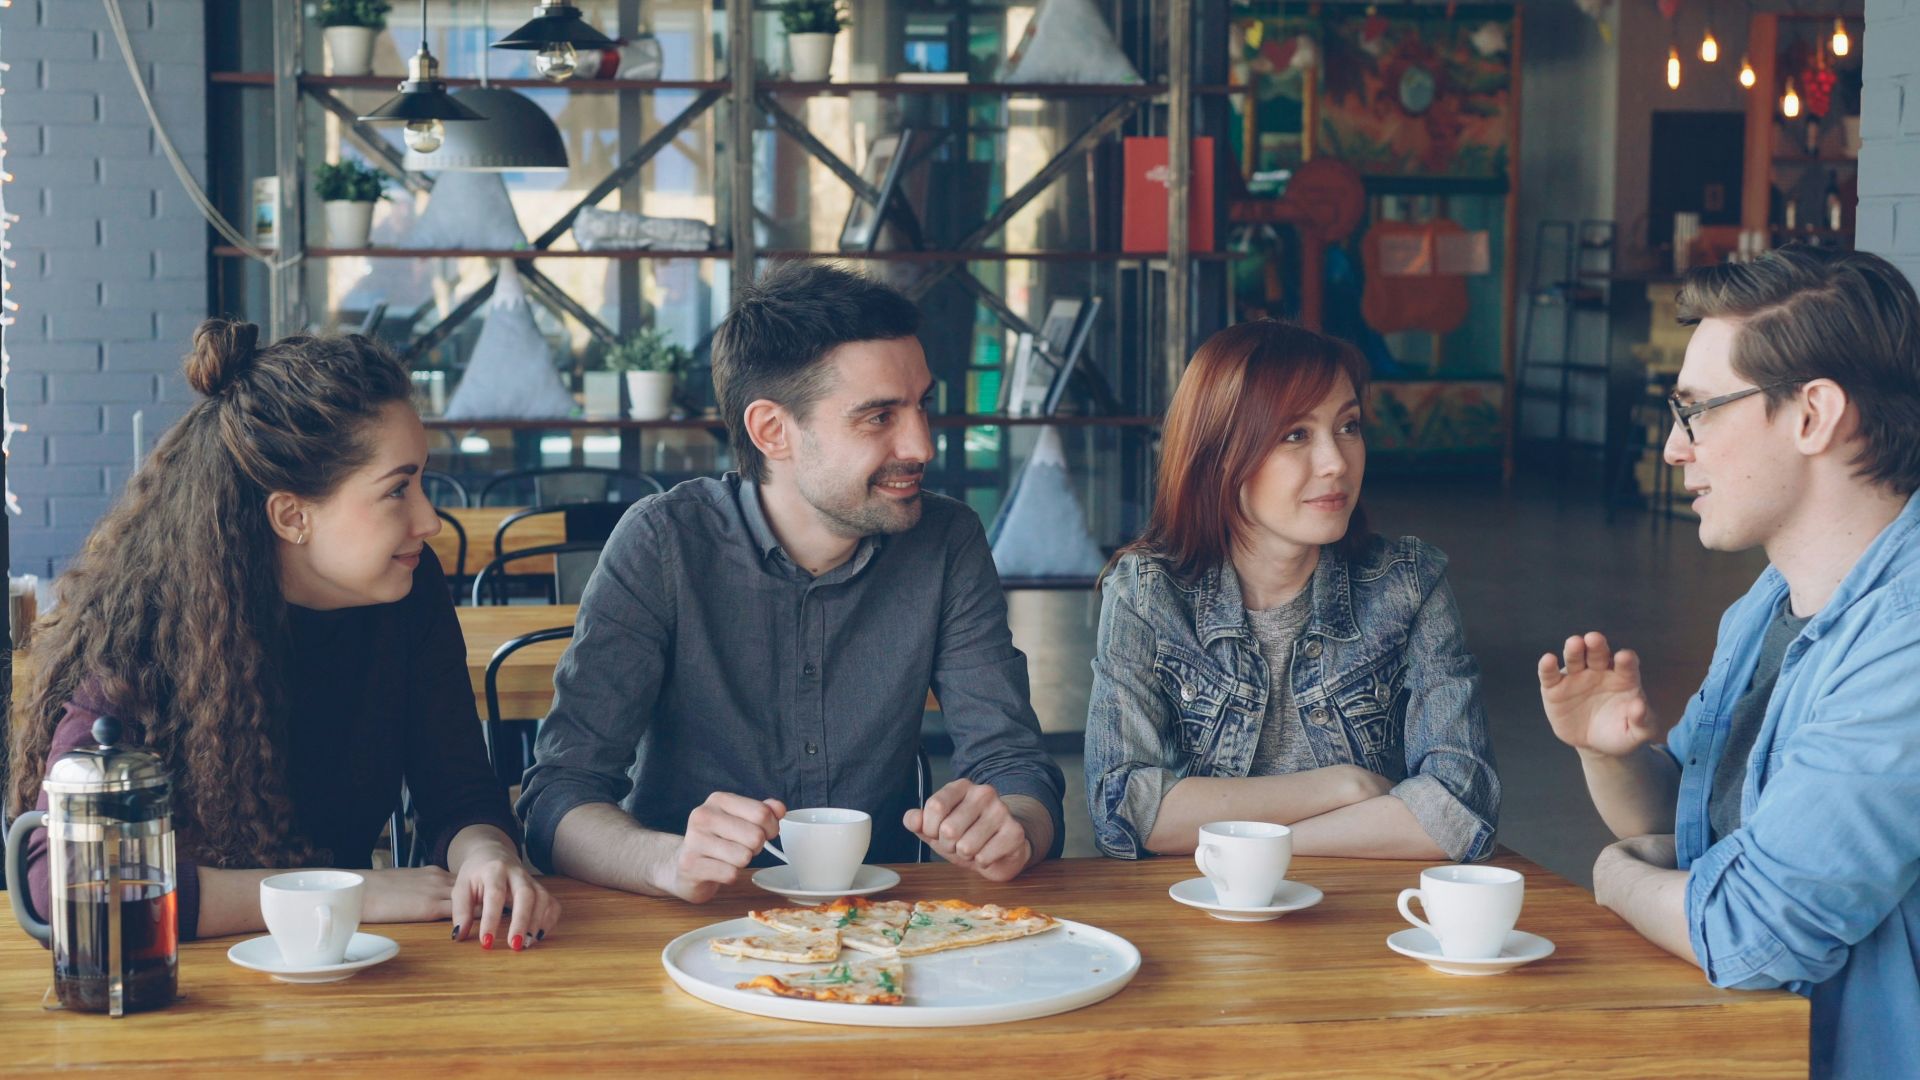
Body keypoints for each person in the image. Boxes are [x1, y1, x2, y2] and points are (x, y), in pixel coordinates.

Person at [516, 262, 1065, 902]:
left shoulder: (946, 539)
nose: (921, 445)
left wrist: (1015, 829)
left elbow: (1015, 765)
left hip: (884, 923)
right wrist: (667, 862)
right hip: (683, 929)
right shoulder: (664, 543)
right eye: (879, 417)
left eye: (921, 406)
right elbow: (559, 794)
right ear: (773, 431)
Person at [9, 320, 557, 952]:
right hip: (182, 985)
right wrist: (348, 889)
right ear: (293, 516)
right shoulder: (149, 629)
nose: (430, 520)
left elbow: (457, 789)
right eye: (398, 490)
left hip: (337, 967)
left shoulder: (407, 589)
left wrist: (488, 857)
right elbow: (66, 884)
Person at [1540, 245, 1920, 1078]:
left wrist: (1612, 879)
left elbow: (1753, 933)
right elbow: (1690, 832)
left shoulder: (1907, 643)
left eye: (1700, 410)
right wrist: (1608, 753)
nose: (1676, 448)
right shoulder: (1771, 600)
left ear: (1813, 414)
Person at [1084, 319, 1498, 862]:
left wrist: (1258, 850)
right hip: (1204, 919)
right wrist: (1345, 788)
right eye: (1296, 434)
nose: (1335, 462)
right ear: (1219, 454)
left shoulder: (1408, 584)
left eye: (1348, 426)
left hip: (1368, 919)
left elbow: (1460, 807)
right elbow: (1124, 811)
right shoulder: (1147, 595)